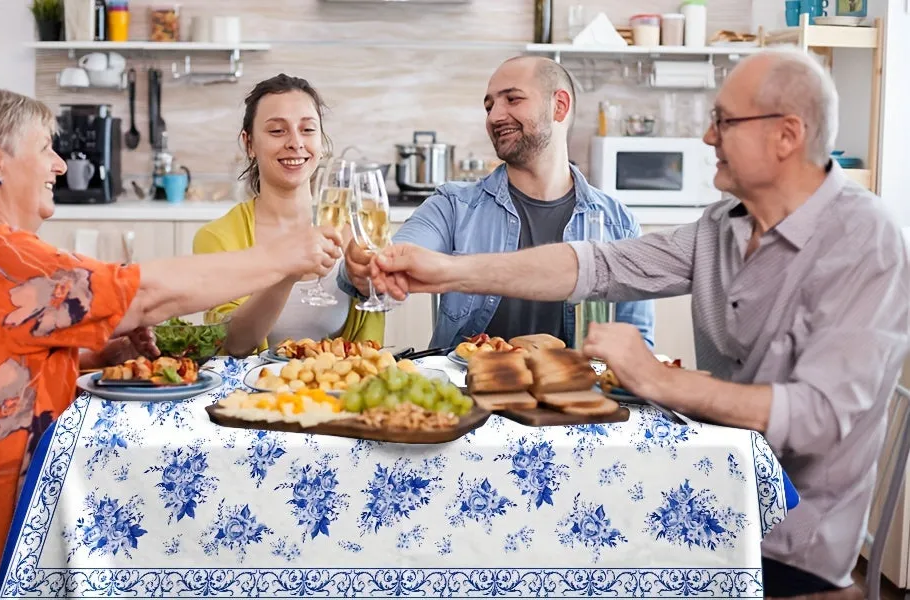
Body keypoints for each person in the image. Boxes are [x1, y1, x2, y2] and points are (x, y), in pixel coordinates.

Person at [370, 48, 909, 599]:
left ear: (787, 135)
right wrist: (449, 270)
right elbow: (600, 265)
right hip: (703, 500)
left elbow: (818, 415)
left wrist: (655, 377)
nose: (706, 137)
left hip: (785, 545)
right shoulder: (719, 227)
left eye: (723, 121)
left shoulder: (864, 241)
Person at [0, 89, 343, 600]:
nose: (60, 165)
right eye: (46, 148)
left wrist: (93, 357)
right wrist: (284, 257)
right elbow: (146, 293)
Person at [339, 56, 654, 350]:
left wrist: (596, 381)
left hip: (574, 397)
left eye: (512, 99)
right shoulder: (453, 205)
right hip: (466, 392)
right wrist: (365, 268)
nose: (494, 116)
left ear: (559, 106)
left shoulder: (618, 223)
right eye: (489, 106)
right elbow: (392, 262)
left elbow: (635, 347)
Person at [194, 74, 383, 357]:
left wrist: (378, 286)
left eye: (307, 129)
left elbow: (372, 349)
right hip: (250, 397)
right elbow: (231, 344)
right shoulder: (217, 238)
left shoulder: (358, 229)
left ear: (321, 142)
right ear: (249, 144)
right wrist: (287, 274)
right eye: (277, 131)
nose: (296, 143)